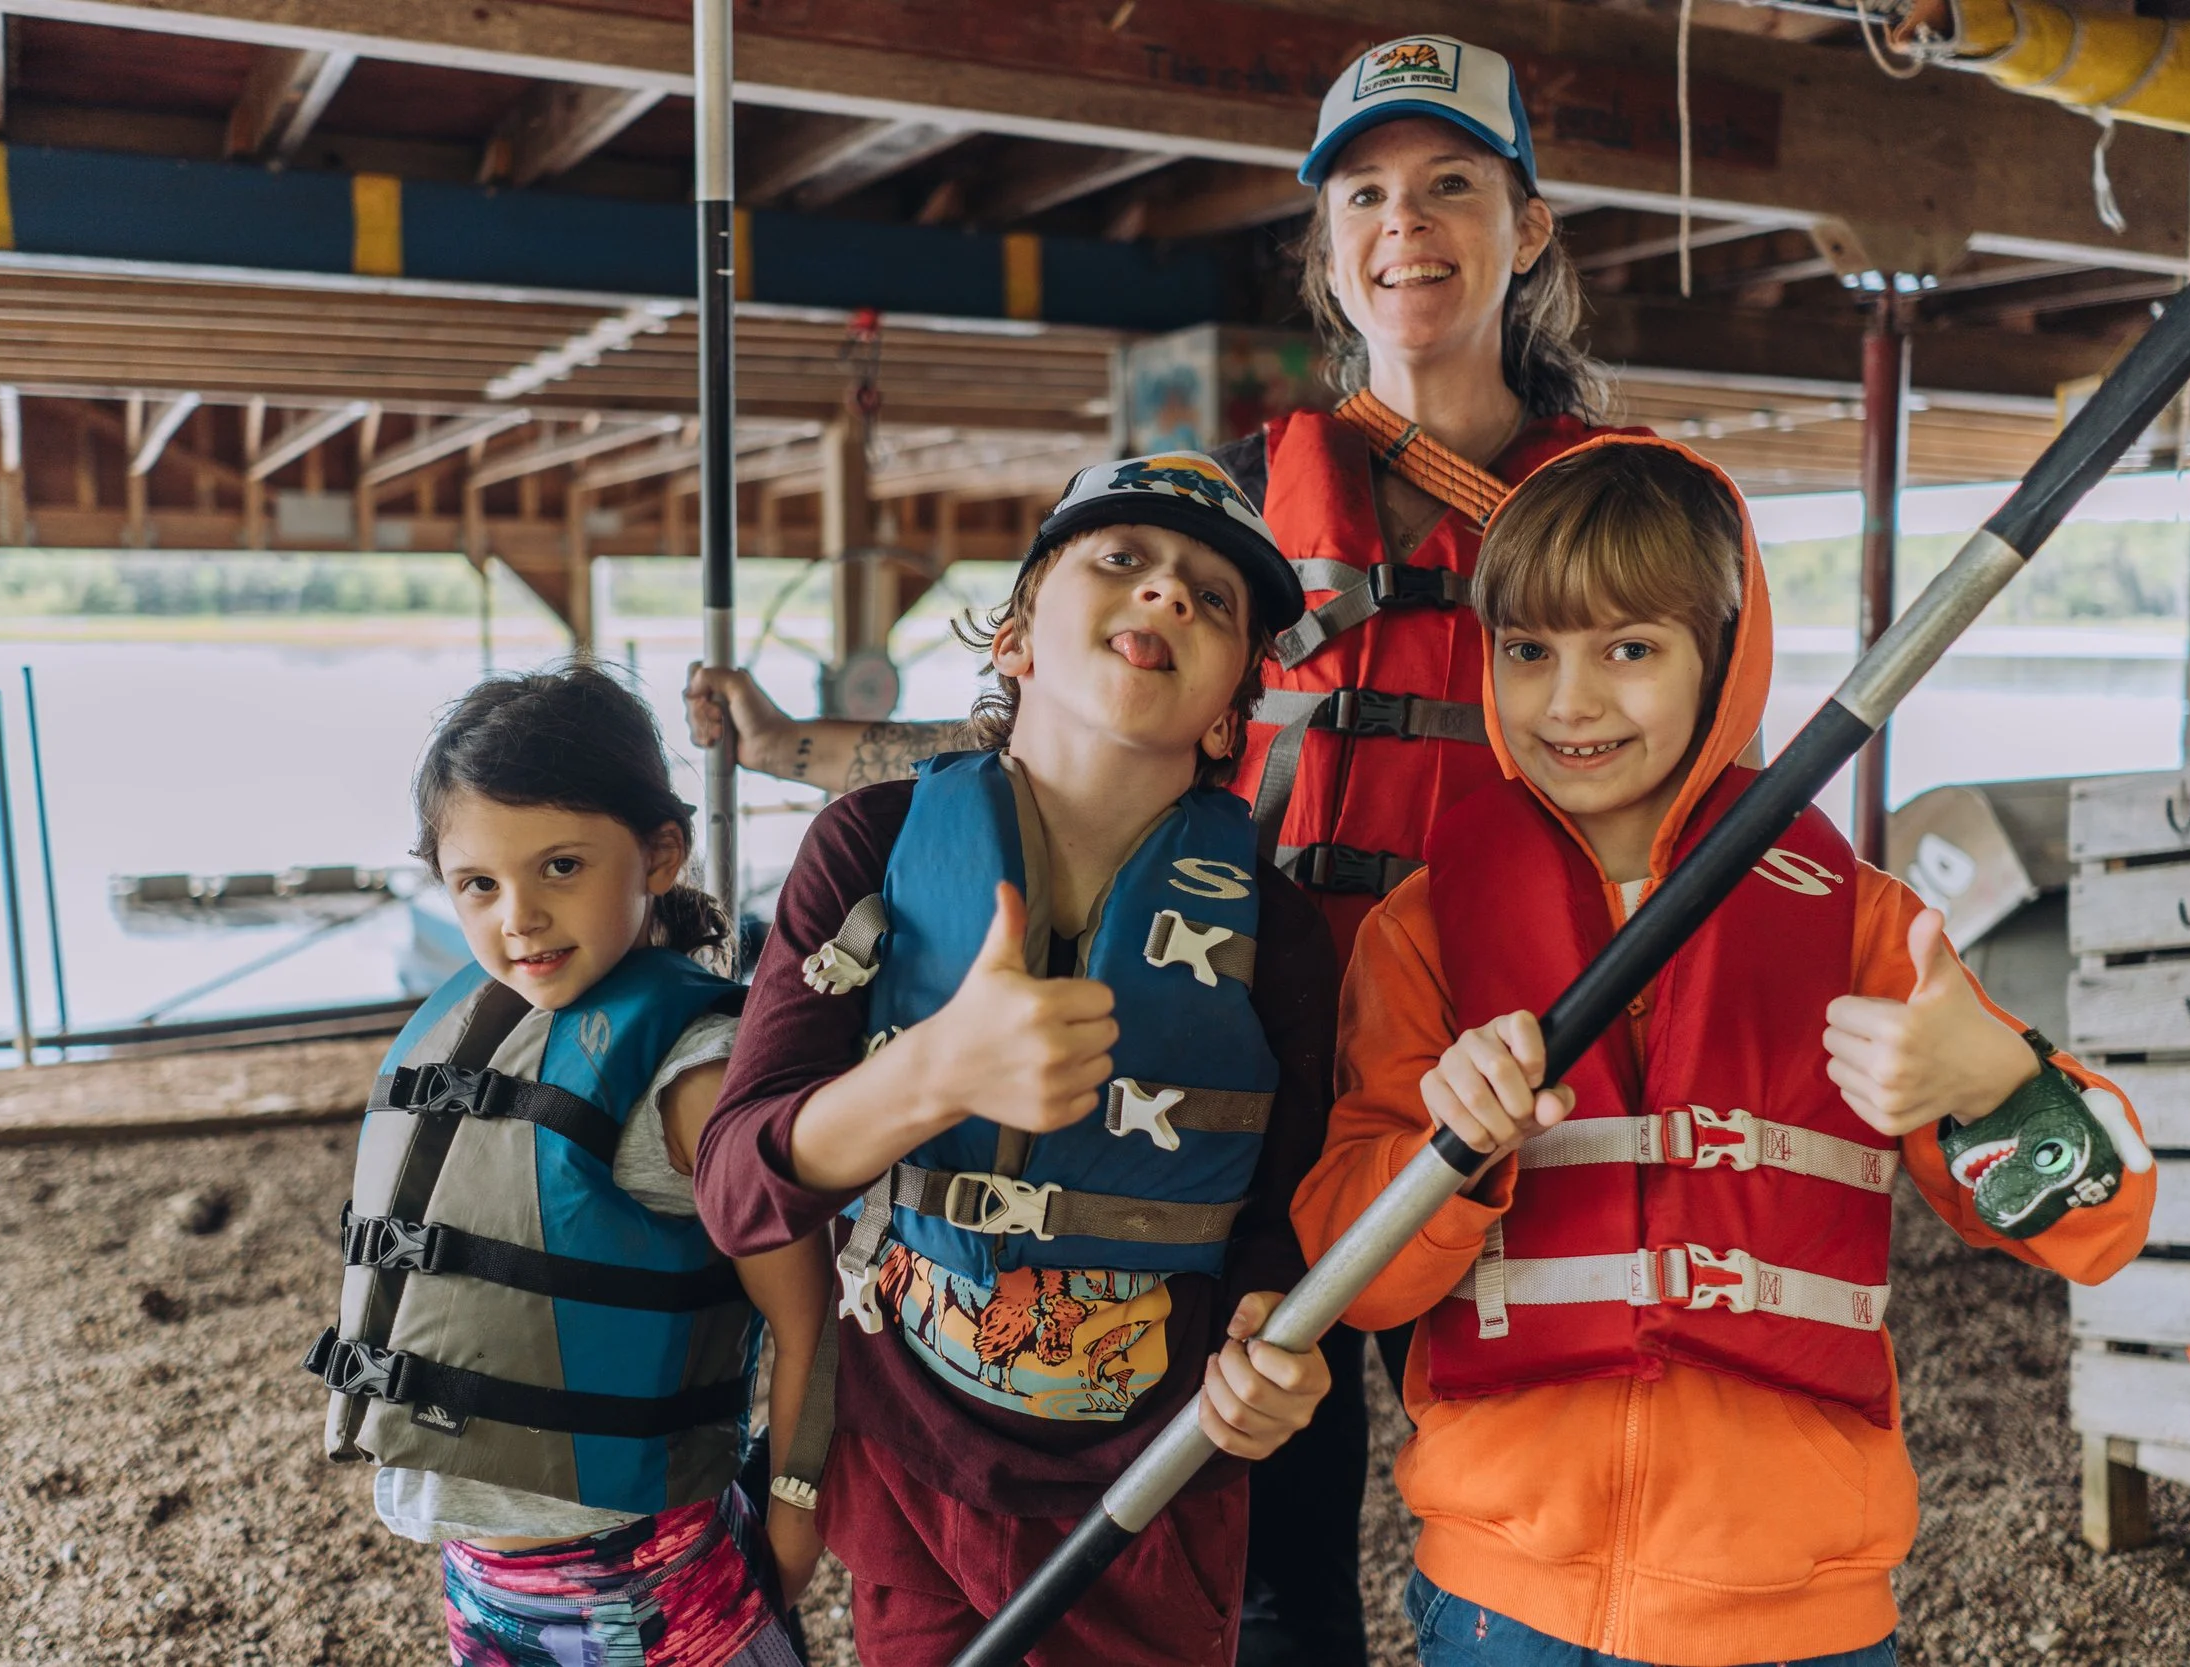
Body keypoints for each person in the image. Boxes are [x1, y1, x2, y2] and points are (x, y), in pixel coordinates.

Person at [684, 36, 1643, 1660]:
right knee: (1274, 1518)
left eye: (1453, 186)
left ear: (1529, 227)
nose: (1406, 226)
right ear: (1329, 247)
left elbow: (1670, 786)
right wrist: (787, 754)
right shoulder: (1248, 501)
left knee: (1530, 1498)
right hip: (1245, 1088)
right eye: (1366, 196)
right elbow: (1041, 755)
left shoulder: (1600, 512)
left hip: (1472, 1076)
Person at [1292, 435, 2159, 1667]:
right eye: (1529, 649)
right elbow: (1352, 1269)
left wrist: (1997, 1086)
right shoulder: (1419, 931)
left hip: (1802, 1614)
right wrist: (1447, 1155)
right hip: (1505, 1605)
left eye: (1629, 649)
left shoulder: (1866, 927)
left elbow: (2109, 1225)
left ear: (1724, 658)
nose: (1568, 701)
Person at [692, 452, 1336, 1666]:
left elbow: (1282, 1230)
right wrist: (932, 1072)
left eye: (1213, 596)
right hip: (909, 1476)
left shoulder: (1281, 933)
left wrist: (1274, 1346)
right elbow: (735, 1183)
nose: (1168, 596)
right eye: (1121, 561)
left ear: (1225, 713)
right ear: (1018, 638)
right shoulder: (865, 847)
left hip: (1152, 1494)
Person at [303, 665, 830, 1667]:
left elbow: (809, 1319)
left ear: (660, 851)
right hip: (481, 1583)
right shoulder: (469, 1036)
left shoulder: (691, 1074)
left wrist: (794, 1521)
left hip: (658, 1580)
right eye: (480, 884)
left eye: (561, 866)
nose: (520, 917)